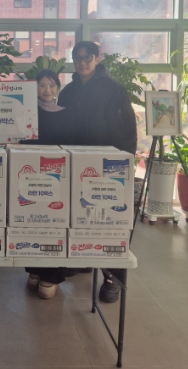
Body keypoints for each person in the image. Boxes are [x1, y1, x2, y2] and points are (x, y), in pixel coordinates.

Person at [58, 41, 137, 303]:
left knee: (111, 221)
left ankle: (113, 277)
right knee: (80, 214)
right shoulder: (68, 92)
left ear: (97, 58)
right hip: (76, 166)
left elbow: (128, 130)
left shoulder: (114, 90)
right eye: (77, 58)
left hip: (107, 166)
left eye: (87, 57)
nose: (82, 62)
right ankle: (82, 259)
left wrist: (122, 166)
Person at [20, 69, 77, 299]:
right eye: (42, 85)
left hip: (57, 176)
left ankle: (52, 275)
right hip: (31, 175)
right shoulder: (26, 112)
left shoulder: (67, 114)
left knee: (54, 224)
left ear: (58, 88)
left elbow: (70, 145)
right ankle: (35, 269)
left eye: (52, 85)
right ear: (35, 87)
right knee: (33, 221)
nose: (47, 90)